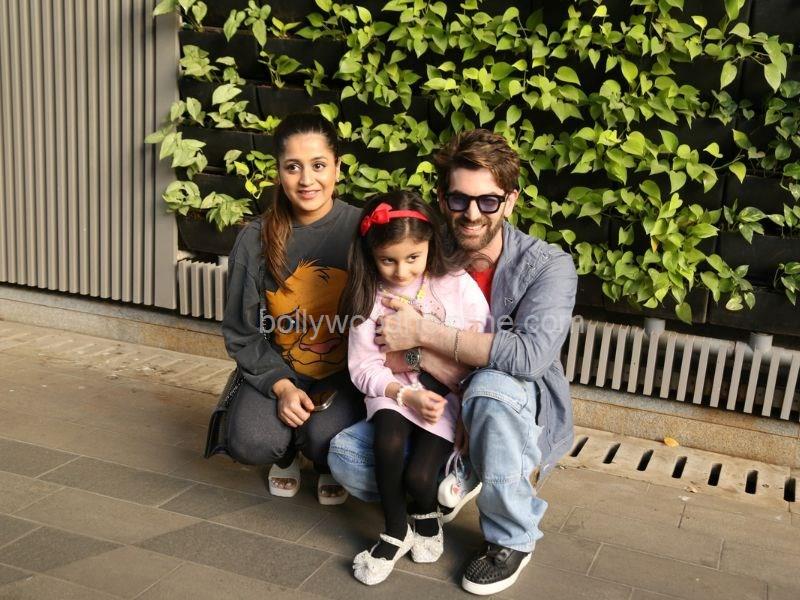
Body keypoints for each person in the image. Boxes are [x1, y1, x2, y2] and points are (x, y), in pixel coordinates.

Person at [328, 129, 578, 595]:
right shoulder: (421, 250)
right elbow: (378, 349)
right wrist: (412, 364)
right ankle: (451, 480)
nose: (472, 213)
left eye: (488, 201)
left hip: (506, 404)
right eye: (460, 199)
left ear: (510, 202)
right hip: (433, 405)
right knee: (344, 456)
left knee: (490, 389)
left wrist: (421, 339)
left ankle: (511, 536)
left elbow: (526, 357)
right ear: (443, 200)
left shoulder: (547, 266)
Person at [339, 191, 491, 585]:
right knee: (387, 439)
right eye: (388, 260)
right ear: (371, 254)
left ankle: (425, 512)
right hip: (393, 393)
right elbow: (364, 366)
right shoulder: (368, 293)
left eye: (412, 258)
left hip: (444, 396)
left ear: (430, 245)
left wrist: (414, 360)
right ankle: (394, 529)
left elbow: (478, 347)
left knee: (421, 478)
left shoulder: (454, 284)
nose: (401, 272)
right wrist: (403, 393)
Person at [221, 112, 364, 505]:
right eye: (293, 167)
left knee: (326, 439)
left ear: (337, 168)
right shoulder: (255, 239)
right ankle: (284, 452)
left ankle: (323, 457)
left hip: (343, 374)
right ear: (279, 173)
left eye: (318, 165)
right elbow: (241, 330)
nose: (306, 180)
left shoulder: (362, 230)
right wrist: (282, 387)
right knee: (251, 441)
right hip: (281, 367)